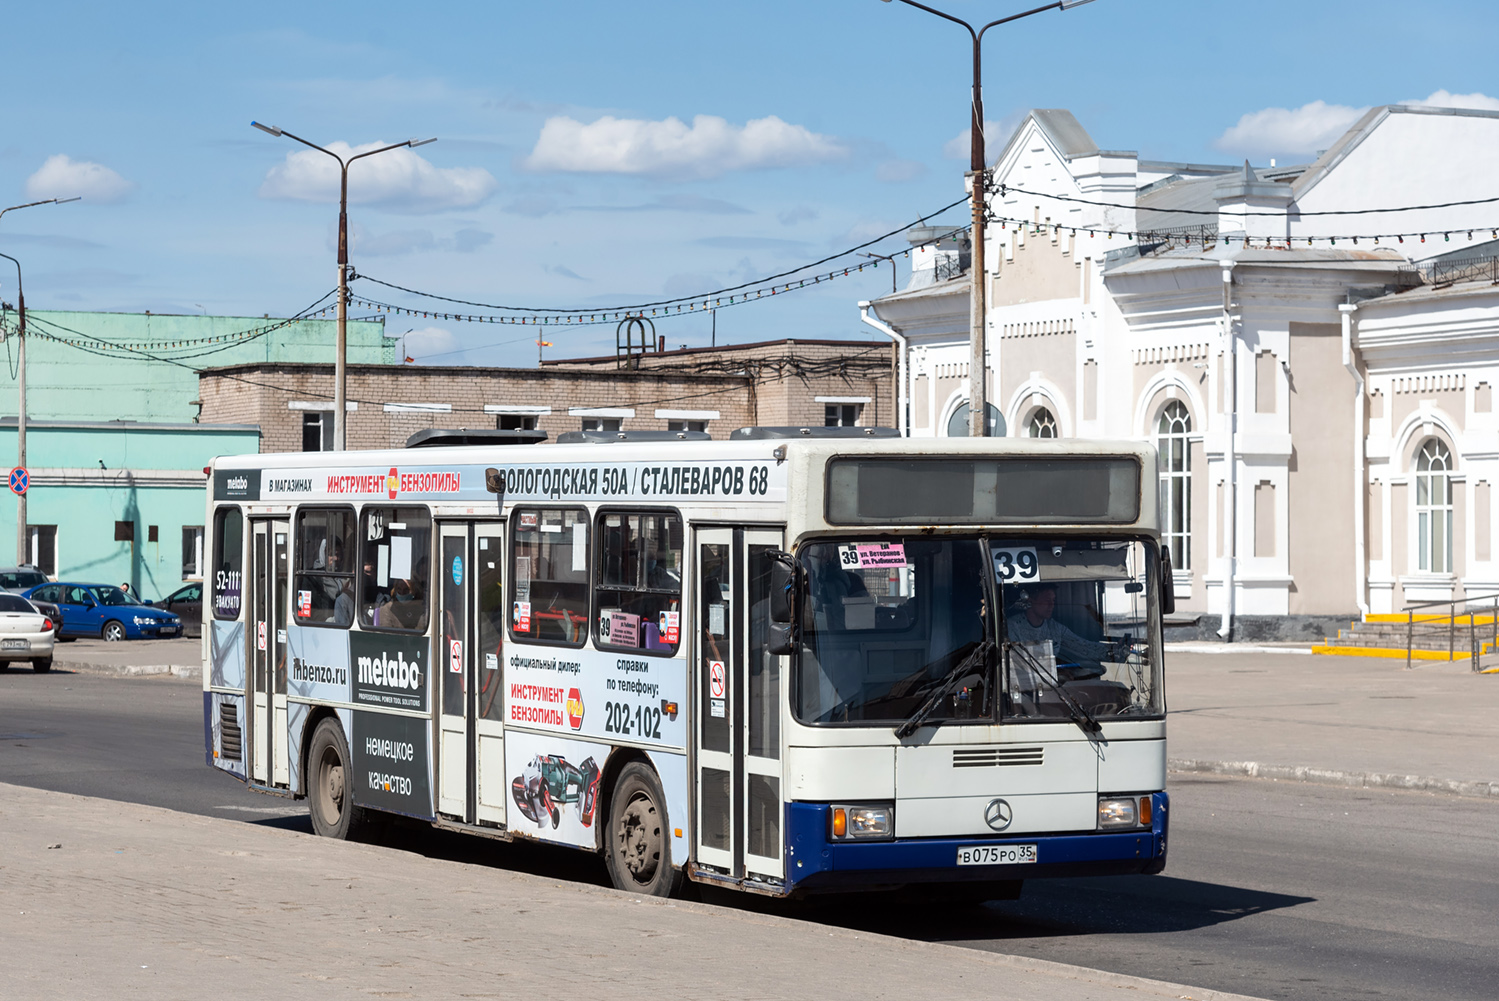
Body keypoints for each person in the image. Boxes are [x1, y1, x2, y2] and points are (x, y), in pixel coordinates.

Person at [1006, 585, 1114, 681]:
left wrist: (1113, 651)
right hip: (1025, 691)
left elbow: (1083, 646)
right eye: (1047, 600)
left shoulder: (1055, 628)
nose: (1051, 604)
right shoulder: (1013, 627)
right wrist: (1056, 672)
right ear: (1030, 600)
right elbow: (1017, 665)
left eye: (1053, 600)